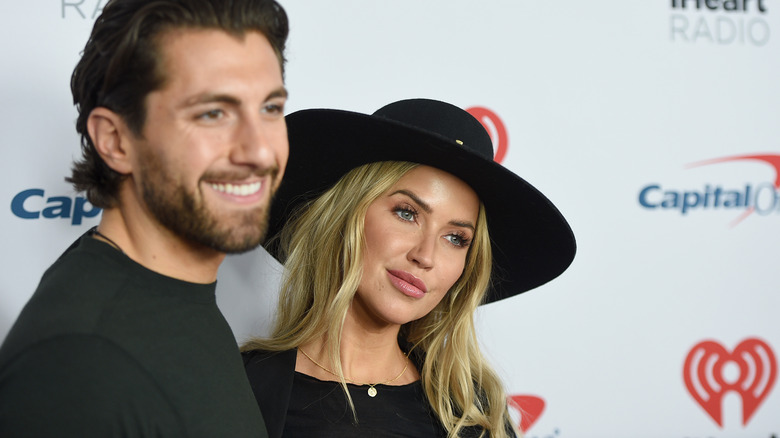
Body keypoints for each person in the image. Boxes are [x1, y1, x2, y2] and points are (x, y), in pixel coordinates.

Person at [0, 0, 289, 436]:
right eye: (213, 114)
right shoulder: (77, 364)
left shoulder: (171, 291)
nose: (259, 151)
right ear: (116, 141)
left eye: (270, 109)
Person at [241, 98, 576, 437]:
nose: (426, 255)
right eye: (407, 213)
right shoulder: (238, 388)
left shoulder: (474, 413)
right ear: (345, 215)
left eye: (456, 238)